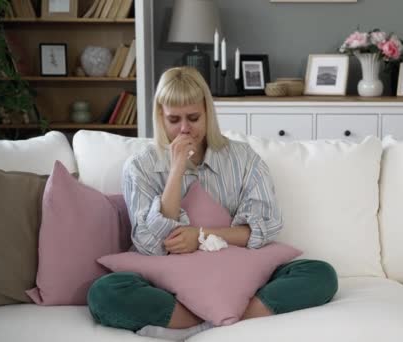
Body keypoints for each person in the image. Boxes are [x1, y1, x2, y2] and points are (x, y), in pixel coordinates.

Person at [86, 67, 338, 341]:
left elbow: (263, 229)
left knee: (320, 274)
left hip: (237, 276)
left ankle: (206, 320)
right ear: (160, 116)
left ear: (208, 112)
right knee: (104, 293)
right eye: (174, 119)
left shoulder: (243, 158)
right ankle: (211, 318)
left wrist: (202, 236)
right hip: (168, 282)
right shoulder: (140, 166)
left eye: (194, 118)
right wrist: (176, 170)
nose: (184, 128)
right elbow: (149, 245)